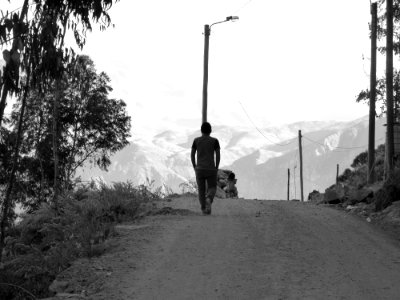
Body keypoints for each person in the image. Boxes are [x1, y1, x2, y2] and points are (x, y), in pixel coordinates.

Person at [191, 122, 220, 215]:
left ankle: (204, 209)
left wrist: (194, 166)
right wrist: (216, 167)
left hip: (199, 169)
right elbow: (218, 154)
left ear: (201, 130)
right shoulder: (215, 141)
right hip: (211, 169)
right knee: (212, 187)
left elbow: (192, 154)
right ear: (210, 131)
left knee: (201, 189)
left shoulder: (196, 140)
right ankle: (209, 199)